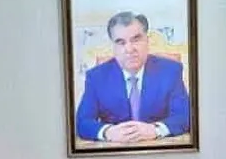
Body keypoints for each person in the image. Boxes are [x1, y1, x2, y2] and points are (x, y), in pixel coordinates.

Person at [75, 11, 191, 143]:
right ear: (113, 46)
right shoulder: (96, 77)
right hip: (116, 150)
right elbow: (82, 122)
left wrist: (155, 130)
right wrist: (108, 132)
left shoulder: (170, 71)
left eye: (136, 39)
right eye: (121, 42)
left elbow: (184, 116)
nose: (129, 49)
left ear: (147, 41)